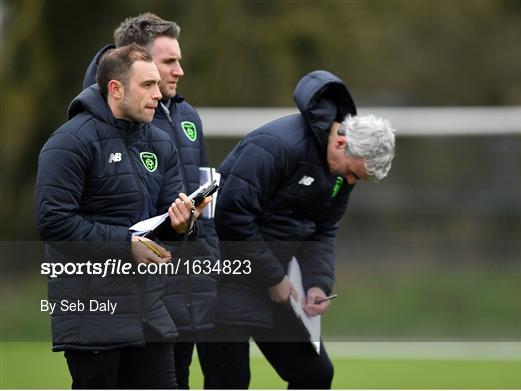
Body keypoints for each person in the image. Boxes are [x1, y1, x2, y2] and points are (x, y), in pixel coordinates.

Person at [198, 70, 396, 389]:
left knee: (315, 373)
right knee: (229, 382)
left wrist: (318, 283)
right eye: (353, 174)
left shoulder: (341, 172)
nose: (350, 183)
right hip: (225, 279)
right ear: (341, 142)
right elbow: (231, 217)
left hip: (274, 285)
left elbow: (323, 230)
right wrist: (273, 276)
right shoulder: (277, 145)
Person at [35, 44, 209, 389]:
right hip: (93, 315)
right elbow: (53, 222)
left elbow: (166, 223)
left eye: (158, 84)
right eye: (147, 85)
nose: (158, 94)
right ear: (115, 89)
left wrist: (182, 225)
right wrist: (126, 246)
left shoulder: (159, 143)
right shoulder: (69, 142)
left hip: (151, 314)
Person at [82, 13, 220, 389]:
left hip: (189, 279)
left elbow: (202, 192)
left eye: (178, 60)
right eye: (168, 61)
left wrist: (209, 256)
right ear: (136, 63)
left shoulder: (188, 115)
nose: (179, 70)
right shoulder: (112, 123)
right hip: (140, 288)